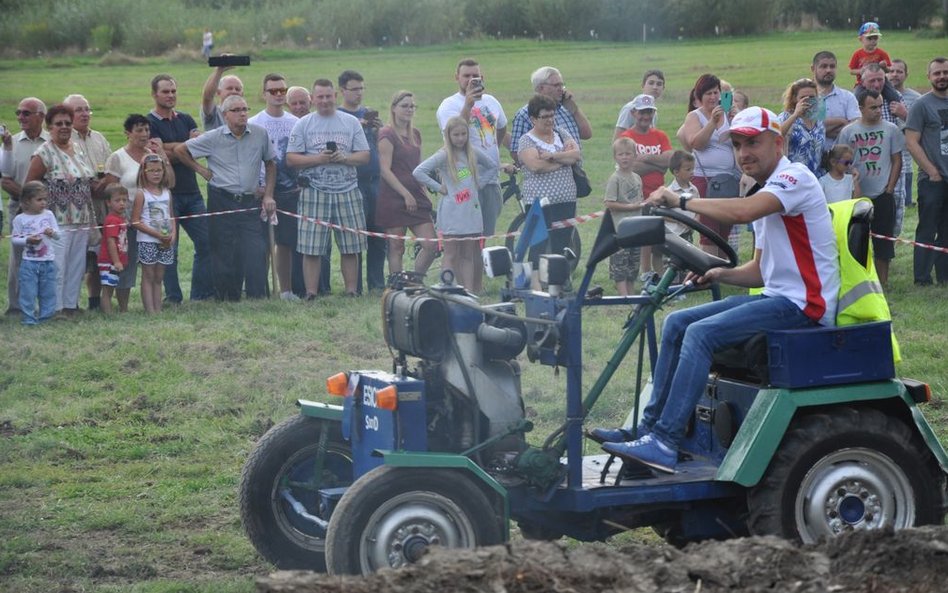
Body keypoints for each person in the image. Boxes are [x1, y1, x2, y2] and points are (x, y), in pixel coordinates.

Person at [596, 106, 840, 474]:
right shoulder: (768, 191)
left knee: (701, 333)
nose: (744, 153)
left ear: (778, 142)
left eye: (753, 143)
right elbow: (760, 271)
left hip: (805, 307)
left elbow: (742, 213)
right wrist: (720, 274)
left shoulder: (795, 179)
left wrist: (680, 200)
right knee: (677, 323)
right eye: (738, 145)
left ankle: (665, 440)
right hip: (778, 298)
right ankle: (647, 432)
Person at [176, 95, 277, 301]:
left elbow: (271, 164)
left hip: (250, 201)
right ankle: (226, 297)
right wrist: (200, 169)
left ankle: (257, 296)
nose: (242, 113)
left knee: (256, 249)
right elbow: (180, 150)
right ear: (225, 115)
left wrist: (268, 195)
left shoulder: (260, 134)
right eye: (236, 110)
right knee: (223, 250)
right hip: (221, 199)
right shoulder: (213, 137)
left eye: (245, 109)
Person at [286, 78, 370, 299]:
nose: (324, 100)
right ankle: (311, 293)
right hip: (314, 190)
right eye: (320, 97)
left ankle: (352, 290)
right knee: (311, 247)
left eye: (328, 96)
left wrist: (344, 158)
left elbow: (365, 156)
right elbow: (291, 159)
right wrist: (318, 159)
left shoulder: (350, 122)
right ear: (313, 99)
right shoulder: (303, 124)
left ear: (335, 96)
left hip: (348, 189)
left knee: (351, 246)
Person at [147, 74, 214, 303]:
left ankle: (200, 295)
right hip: (166, 195)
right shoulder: (149, 123)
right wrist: (185, 147)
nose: (171, 95)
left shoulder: (185, 118)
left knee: (206, 243)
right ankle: (173, 297)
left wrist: (173, 150)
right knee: (170, 250)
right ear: (154, 94)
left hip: (193, 193)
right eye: (165, 92)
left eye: (173, 91)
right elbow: (156, 156)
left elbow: (198, 147)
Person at [25, 104, 96, 316]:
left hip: (81, 218)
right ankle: (52, 309)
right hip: (56, 221)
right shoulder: (43, 152)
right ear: (50, 127)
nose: (64, 127)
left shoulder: (77, 147)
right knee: (56, 266)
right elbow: (30, 185)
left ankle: (70, 305)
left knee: (77, 266)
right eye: (59, 124)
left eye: (67, 123)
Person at [414, 116, 493, 292]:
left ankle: (469, 292)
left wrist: (480, 183)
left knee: (468, 254)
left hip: (471, 210)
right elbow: (419, 172)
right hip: (452, 211)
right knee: (450, 253)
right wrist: (439, 187)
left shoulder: (472, 153)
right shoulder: (443, 155)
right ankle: (448, 290)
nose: (460, 138)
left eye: (463, 134)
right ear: (448, 136)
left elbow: (492, 166)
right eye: (456, 135)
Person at [102, 114, 170, 312]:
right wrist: (118, 218)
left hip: (153, 221)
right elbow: (111, 189)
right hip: (127, 220)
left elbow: (168, 182)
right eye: (139, 130)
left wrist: (164, 155)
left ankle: (153, 303)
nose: (144, 134)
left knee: (152, 267)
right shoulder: (117, 157)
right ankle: (123, 307)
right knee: (127, 262)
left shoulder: (152, 156)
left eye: (147, 130)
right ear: (128, 133)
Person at [837, 90, 903, 286]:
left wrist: (889, 188)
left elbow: (897, 160)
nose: (878, 111)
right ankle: (860, 283)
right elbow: (841, 160)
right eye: (873, 107)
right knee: (857, 241)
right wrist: (851, 178)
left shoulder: (891, 129)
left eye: (880, 106)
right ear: (861, 108)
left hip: (883, 194)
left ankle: (882, 284)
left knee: (884, 242)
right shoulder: (848, 132)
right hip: (857, 196)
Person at [436, 58, 508, 235]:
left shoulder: (491, 101)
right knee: (465, 234)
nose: (470, 79)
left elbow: (502, 126)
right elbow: (454, 132)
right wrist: (468, 104)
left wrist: (493, 150)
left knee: (487, 232)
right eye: (466, 76)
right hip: (463, 176)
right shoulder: (449, 105)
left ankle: (481, 263)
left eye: (475, 76)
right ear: (457, 77)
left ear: (482, 77)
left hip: (489, 177)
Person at [516, 94, 581, 286]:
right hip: (538, 201)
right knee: (538, 244)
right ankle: (536, 285)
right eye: (545, 117)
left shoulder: (561, 133)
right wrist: (562, 160)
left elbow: (575, 155)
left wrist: (552, 156)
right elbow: (535, 166)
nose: (550, 120)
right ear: (533, 119)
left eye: (552, 115)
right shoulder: (526, 141)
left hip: (566, 199)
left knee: (562, 243)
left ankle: (557, 282)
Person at [248, 73, 301, 301]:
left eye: (282, 90)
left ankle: (286, 290)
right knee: (262, 246)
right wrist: (255, 187)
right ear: (264, 94)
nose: (278, 95)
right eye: (273, 91)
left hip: (289, 190)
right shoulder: (254, 123)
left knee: (286, 242)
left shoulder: (296, 123)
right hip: (261, 190)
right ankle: (261, 290)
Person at [376, 91, 438, 282]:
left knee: (431, 245)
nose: (409, 109)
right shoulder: (386, 134)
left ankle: (415, 279)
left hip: (415, 193)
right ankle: (397, 283)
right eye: (404, 106)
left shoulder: (415, 134)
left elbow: (419, 167)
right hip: (394, 195)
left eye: (412, 106)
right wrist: (404, 194)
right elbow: (385, 170)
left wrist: (425, 190)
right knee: (397, 246)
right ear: (394, 108)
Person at [677, 73, 740, 258]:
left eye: (716, 93)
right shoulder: (694, 117)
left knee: (724, 228)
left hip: (729, 178)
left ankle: (723, 269)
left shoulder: (729, 113)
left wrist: (736, 119)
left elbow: (739, 142)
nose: (713, 97)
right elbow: (696, 143)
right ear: (699, 97)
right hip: (705, 179)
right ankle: (709, 272)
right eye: (708, 94)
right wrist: (712, 122)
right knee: (709, 229)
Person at [337, 70, 386, 294]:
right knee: (353, 237)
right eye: (354, 89)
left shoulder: (369, 114)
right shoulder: (337, 116)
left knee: (378, 235)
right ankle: (353, 286)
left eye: (361, 88)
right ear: (342, 91)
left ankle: (376, 284)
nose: (359, 93)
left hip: (376, 181)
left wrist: (378, 130)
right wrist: (358, 123)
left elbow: (382, 146)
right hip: (352, 181)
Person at [64, 94, 112, 311]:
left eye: (87, 109)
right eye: (79, 110)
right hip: (77, 210)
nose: (84, 113)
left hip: (101, 205)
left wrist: (105, 183)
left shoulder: (99, 138)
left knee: (98, 257)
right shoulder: (65, 140)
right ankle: (69, 303)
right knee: (76, 259)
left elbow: (110, 167)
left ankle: (95, 302)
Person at [2, 97, 48, 316]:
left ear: (41, 116)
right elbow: (5, 181)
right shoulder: (11, 144)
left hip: (49, 211)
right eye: (18, 112)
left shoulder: (51, 142)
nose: (20, 117)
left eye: (26, 113)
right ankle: (16, 307)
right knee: (19, 258)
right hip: (18, 209)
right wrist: (31, 200)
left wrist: (39, 203)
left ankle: (46, 305)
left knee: (48, 257)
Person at [904, 57, 948, 286]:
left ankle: (944, 275)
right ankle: (922, 277)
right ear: (929, 76)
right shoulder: (922, 105)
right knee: (927, 229)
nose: (942, 77)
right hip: (932, 178)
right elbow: (911, 141)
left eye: (945, 72)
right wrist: (932, 171)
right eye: (937, 73)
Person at [509, 66, 592, 159]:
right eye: (556, 85)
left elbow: (587, 134)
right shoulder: (525, 114)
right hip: (548, 171)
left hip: (576, 171)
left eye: (562, 85)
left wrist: (574, 109)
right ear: (540, 88)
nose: (561, 89)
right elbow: (516, 152)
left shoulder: (566, 109)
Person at [11, 181, 59, 325]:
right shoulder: (20, 219)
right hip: (29, 263)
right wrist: (28, 240)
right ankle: (29, 318)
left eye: (45, 199)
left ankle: (46, 317)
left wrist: (52, 233)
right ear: (27, 201)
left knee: (48, 291)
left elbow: (58, 235)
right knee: (28, 292)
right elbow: (15, 239)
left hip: (48, 261)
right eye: (39, 199)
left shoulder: (49, 215)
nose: (43, 203)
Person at [132, 154, 176, 313]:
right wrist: (156, 235)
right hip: (148, 240)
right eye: (152, 171)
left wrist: (173, 235)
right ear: (144, 172)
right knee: (148, 275)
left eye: (159, 170)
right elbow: (136, 221)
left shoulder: (166, 192)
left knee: (159, 277)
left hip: (165, 241)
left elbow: (171, 216)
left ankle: (158, 309)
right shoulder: (141, 193)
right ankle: (150, 310)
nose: (156, 174)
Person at [604, 137, 645, 297]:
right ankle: (623, 296)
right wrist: (630, 207)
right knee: (620, 262)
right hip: (620, 228)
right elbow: (609, 203)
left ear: (635, 155)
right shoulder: (615, 179)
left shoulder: (637, 178)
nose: (625, 157)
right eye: (621, 154)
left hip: (636, 227)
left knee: (633, 262)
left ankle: (631, 292)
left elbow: (640, 200)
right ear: (615, 157)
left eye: (628, 154)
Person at [888, 59, 922, 208]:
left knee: (905, 203)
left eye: (899, 71)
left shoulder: (916, 98)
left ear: (906, 75)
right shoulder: (879, 96)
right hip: (886, 152)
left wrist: (905, 114)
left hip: (906, 153)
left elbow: (922, 126)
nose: (895, 75)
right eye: (891, 71)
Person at [811, 51, 860, 153]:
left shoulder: (847, 97)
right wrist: (841, 121)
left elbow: (855, 129)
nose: (828, 70)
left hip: (842, 161)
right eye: (823, 66)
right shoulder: (807, 97)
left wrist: (821, 130)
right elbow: (808, 129)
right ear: (813, 69)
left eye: (832, 66)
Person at [776, 79, 825, 175]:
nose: (808, 100)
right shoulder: (786, 117)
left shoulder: (819, 121)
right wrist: (795, 115)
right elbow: (776, 135)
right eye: (803, 97)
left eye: (812, 97)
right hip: (793, 176)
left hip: (816, 177)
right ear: (795, 98)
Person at [848, 22, 900, 105]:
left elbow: (889, 69)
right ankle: (858, 116)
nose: (873, 41)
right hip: (862, 82)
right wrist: (860, 71)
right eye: (869, 38)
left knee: (893, 96)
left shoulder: (882, 53)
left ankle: (895, 114)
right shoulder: (857, 54)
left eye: (875, 38)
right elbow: (851, 70)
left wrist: (884, 67)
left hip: (881, 81)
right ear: (861, 39)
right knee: (856, 98)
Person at [97, 184, 129, 315]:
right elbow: (111, 242)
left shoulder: (120, 219)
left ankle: (109, 312)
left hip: (115, 261)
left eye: (124, 200)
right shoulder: (111, 220)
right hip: (108, 261)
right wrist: (116, 261)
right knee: (108, 289)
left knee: (111, 285)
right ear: (108, 203)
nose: (121, 203)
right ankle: (108, 314)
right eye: (117, 200)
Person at [614, 69, 666, 138]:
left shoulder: (654, 112)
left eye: (659, 84)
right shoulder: (630, 108)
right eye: (651, 83)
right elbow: (618, 138)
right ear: (643, 86)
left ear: (663, 88)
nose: (655, 87)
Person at [201, 64, 244, 132]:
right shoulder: (214, 114)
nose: (234, 91)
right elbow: (208, 97)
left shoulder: (244, 115)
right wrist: (219, 70)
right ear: (218, 92)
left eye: (238, 89)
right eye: (229, 88)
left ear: (242, 94)